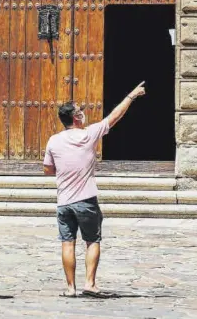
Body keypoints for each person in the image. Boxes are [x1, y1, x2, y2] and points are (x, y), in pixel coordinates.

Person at [43, 81, 146, 298]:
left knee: (67, 242)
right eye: (80, 110)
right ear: (75, 118)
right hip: (86, 200)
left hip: (63, 201)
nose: (83, 113)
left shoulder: (53, 140)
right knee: (92, 241)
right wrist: (132, 95)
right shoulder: (88, 134)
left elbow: (48, 169)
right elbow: (114, 117)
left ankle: (70, 288)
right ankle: (89, 284)